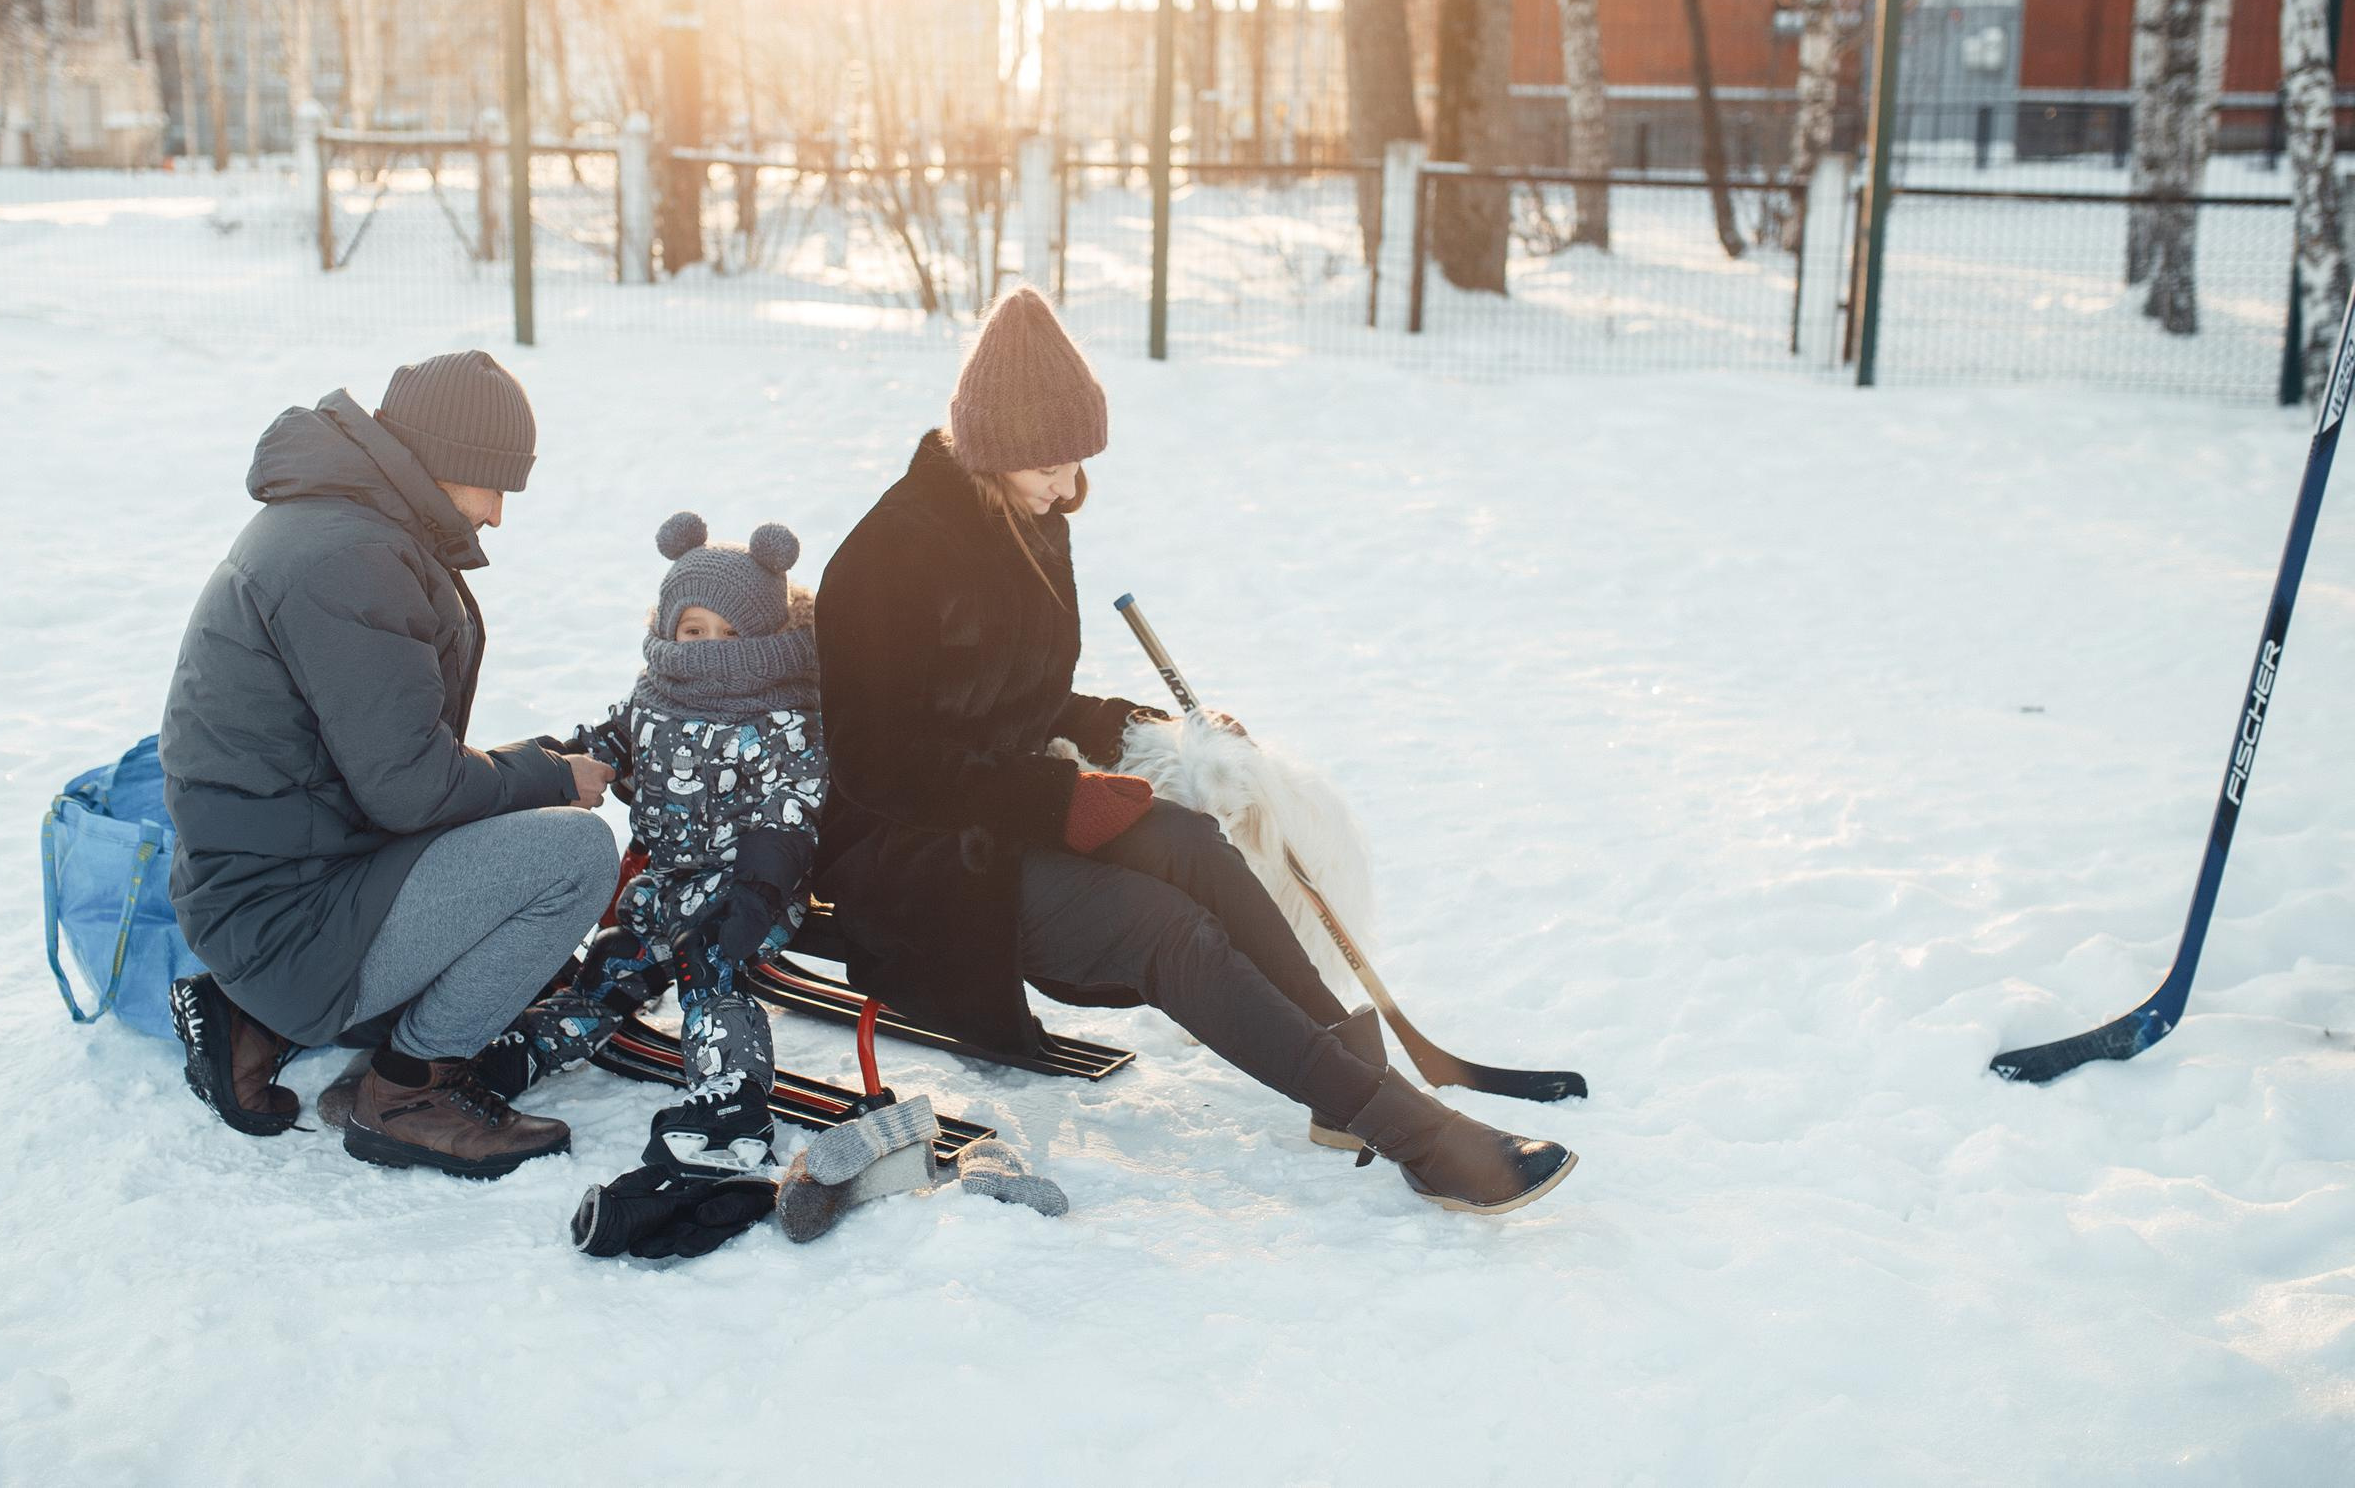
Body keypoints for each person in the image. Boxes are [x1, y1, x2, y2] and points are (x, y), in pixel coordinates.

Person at [812, 287, 1576, 1215]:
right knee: (1164, 927)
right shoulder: (888, 557)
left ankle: (1345, 1068)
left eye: (1082, 460)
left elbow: (1026, 695)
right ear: (998, 444)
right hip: (915, 868)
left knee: (1190, 843)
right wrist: (1052, 802)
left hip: (1003, 818)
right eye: (1054, 462)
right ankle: (1408, 1131)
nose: (1071, 486)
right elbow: (876, 764)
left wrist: (1143, 727)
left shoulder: (1026, 517)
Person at [161, 350, 620, 1181]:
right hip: (286, 917)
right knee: (574, 856)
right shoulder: (349, 556)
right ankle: (408, 1091)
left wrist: (532, 766)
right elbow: (411, 787)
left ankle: (256, 1024)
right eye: (494, 484)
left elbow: (385, 758)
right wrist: (550, 778)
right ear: (448, 463)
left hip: (285, 881)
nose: (498, 513)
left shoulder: (340, 526)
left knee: (519, 828)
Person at [478, 512, 825, 1185]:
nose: (710, 647)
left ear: (767, 636)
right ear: (670, 629)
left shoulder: (784, 715)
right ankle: (523, 1049)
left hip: (748, 891)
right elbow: (604, 742)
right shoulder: (654, 694)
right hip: (665, 884)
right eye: (694, 630)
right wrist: (540, 769)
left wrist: (750, 903)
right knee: (613, 966)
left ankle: (733, 1102)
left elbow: (787, 816)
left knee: (709, 969)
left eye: (732, 633)